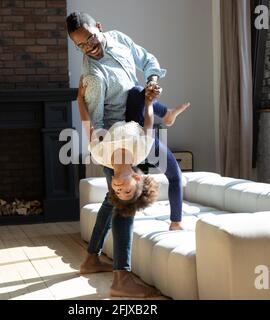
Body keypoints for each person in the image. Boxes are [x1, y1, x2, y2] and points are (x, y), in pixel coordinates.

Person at [67, 12, 189, 297]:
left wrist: (153, 86)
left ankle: (90, 259)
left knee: (137, 91)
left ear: (99, 28)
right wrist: (82, 104)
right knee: (124, 202)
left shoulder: (119, 39)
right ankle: (121, 277)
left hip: (133, 125)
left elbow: (147, 61)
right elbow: (94, 124)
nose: (89, 49)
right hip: (116, 136)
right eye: (81, 47)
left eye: (91, 40)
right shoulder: (93, 77)